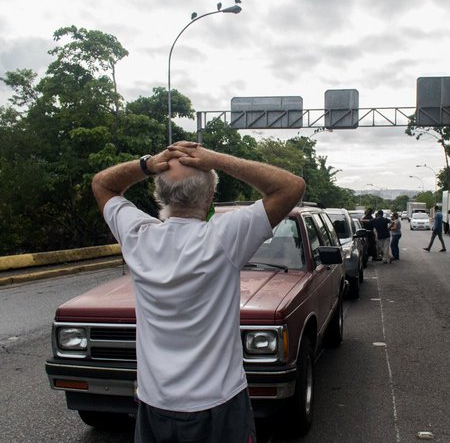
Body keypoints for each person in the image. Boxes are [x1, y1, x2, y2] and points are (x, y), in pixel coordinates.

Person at [91, 141, 305, 443]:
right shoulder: (224, 237)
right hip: (219, 404)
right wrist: (216, 159)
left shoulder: (137, 236)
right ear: (210, 195)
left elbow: (102, 184)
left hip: (155, 403)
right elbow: (291, 186)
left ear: (159, 194)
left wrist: (149, 164)